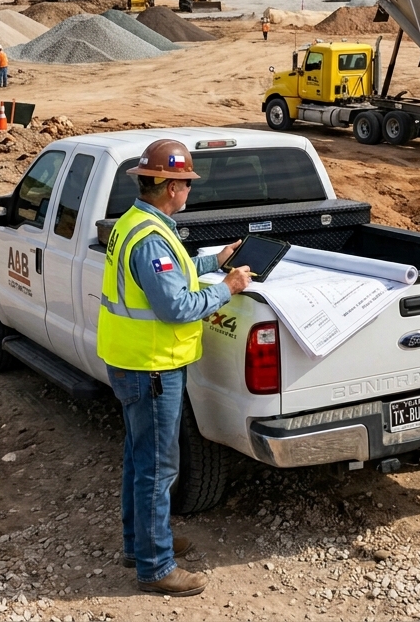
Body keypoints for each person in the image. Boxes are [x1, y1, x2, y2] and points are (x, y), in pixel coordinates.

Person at [96, 139, 251, 596]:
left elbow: (171, 272)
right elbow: (176, 306)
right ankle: (155, 566)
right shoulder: (151, 238)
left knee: (139, 458)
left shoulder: (137, 223)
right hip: (151, 369)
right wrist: (228, 287)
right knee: (158, 467)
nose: (189, 191)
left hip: (134, 363)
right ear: (167, 187)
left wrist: (215, 260)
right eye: (185, 183)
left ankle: (139, 544)